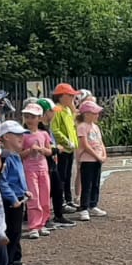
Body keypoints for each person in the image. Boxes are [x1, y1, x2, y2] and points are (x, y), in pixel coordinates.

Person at [0, 122, 33, 265]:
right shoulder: (4, 157)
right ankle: (7, 264)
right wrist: (12, 198)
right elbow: (2, 181)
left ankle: (15, 259)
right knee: (11, 231)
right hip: (10, 201)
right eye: (17, 134)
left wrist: (25, 191)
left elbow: (19, 177)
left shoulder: (15, 155)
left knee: (16, 231)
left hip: (18, 198)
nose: (21, 137)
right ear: (6, 137)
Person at [19, 104, 54, 239]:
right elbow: (19, 154)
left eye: (32, 117)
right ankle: (33, 225)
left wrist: (41, 150)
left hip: (43, 168)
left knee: (45, 197)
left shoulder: (44, 134)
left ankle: (42, 223)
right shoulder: (22, 135)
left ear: (39, 118)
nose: (29, 120)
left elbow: (49, 151)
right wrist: (29, 151)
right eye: (27, 117)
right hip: (29, 169)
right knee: (33, 198)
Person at [48, 83, 80, 225]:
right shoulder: (58, 109)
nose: (73, 97)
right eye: (70, 95)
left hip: (69, 148)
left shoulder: (67, 109)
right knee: (60, 177)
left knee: (67, 176)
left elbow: (74, 123)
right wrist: (66, 141)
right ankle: (60, 203)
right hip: (62, 148)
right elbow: (55, 129)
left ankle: (68, 200)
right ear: (61, 96)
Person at [73, 100, 108, 220]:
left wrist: (104, 154)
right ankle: (84, 208)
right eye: (94, 113)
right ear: (86, 114)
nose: (97, 115)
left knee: (95, 183)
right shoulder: (82, 127)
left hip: (97, 159)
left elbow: (100, 142)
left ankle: (93, 204)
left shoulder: (96, 127)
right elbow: (85, 145)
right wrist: (97, 156)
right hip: (87, 160)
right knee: (87, 184)